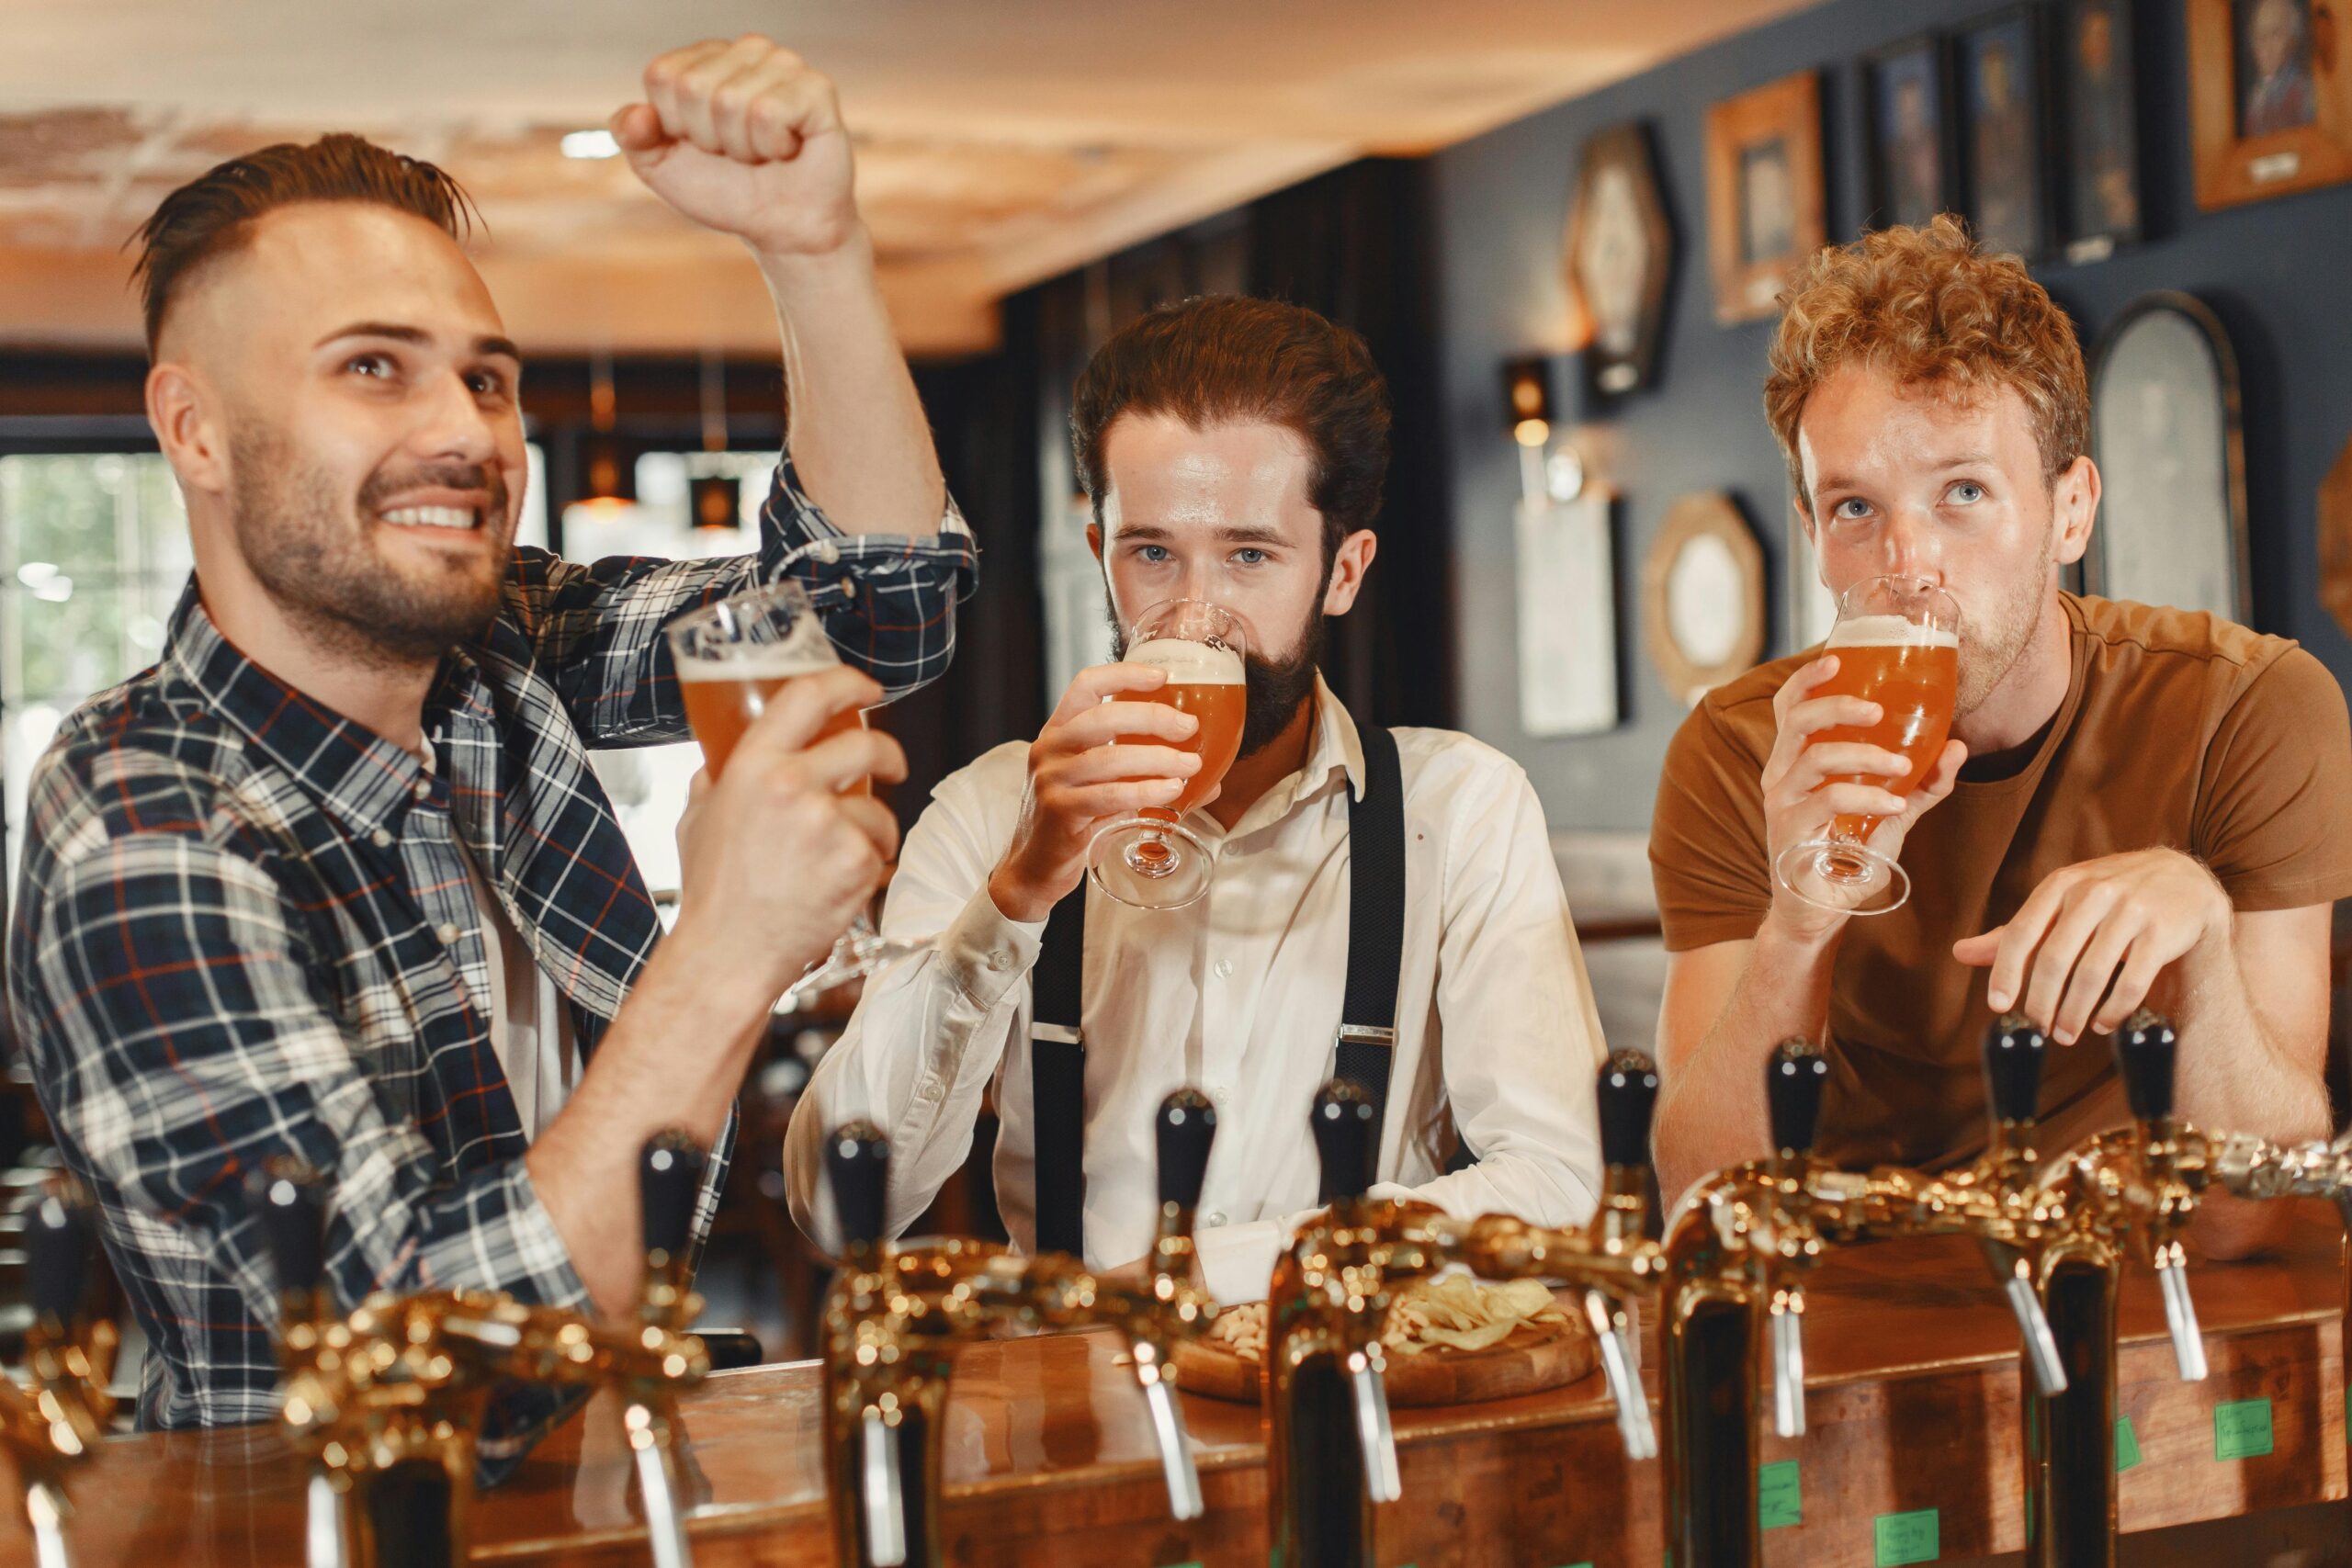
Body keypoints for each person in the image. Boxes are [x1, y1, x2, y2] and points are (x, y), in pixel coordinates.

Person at [6, 36, 971, 1453]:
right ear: (193, 428)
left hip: (626, 1472)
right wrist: (728, 943)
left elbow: (876, 612)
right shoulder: (140, 816)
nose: (465, 431)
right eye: (376, 369)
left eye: (488, 378)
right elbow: (428, 1368)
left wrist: (813, 249)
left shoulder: (499, 653)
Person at [784, 295, 1609, 1303]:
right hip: (1075, 1420)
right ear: (1099, 555)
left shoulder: (1463, 808)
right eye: (1152, 553)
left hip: (1353, 1398)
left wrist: (1201, 1278)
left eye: (1249, 555)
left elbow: (1559, 1185)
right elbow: (837, 1207)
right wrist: (1018, 893)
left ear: (1342, 572)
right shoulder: (988, 810)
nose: (1194, 613)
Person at [1648, 218, 2351, 1256]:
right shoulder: (1737, 751)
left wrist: (2200, 936)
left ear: (2071, 511)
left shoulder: (2248, 707)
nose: (1907, 560)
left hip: (2136, 1281)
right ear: (1811, 537)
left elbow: (2256, 1207)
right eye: (1853, 508)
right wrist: (1797, 924)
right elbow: (1705, 1207)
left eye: (1963, 493)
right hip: (1857, 1311)